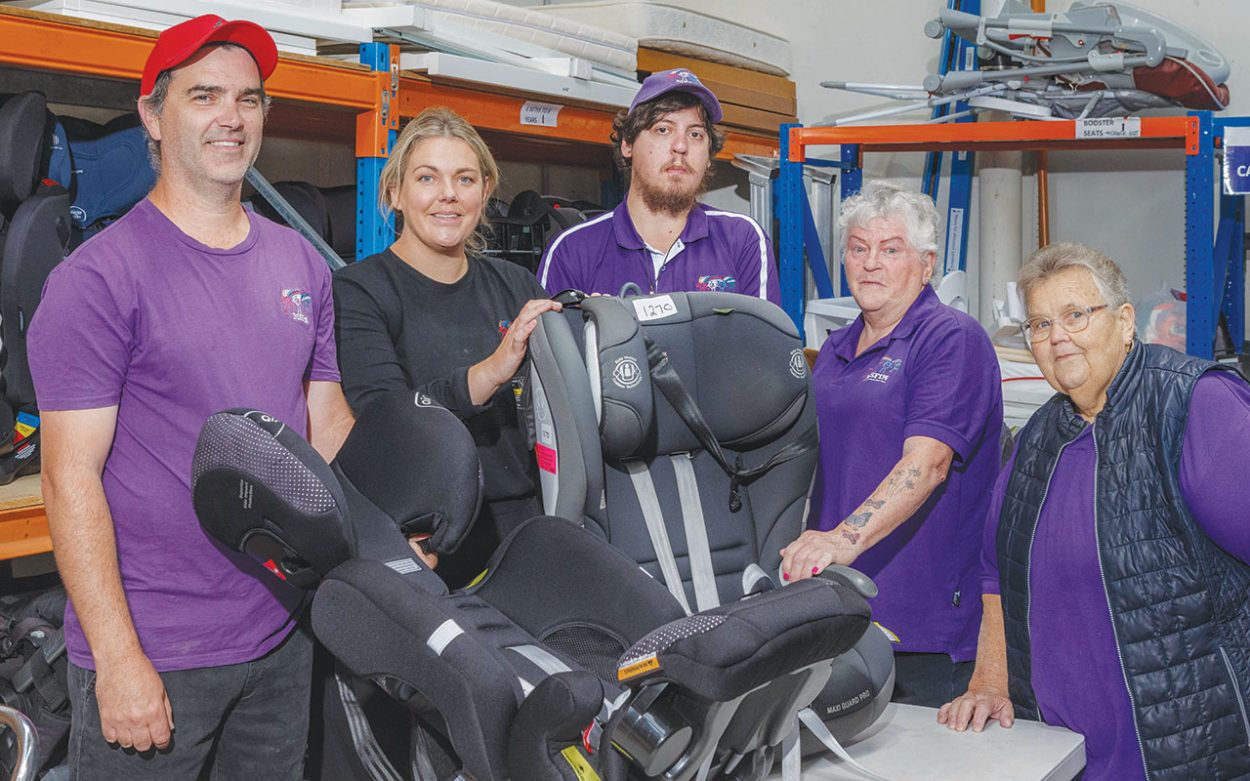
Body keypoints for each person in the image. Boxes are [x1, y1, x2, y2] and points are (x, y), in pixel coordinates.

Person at [26, 15, 356, 780]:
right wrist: (118, 658)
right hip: (156, 650)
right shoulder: (98, 279)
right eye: (204, 95)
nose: (231, 118)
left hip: (280, 633)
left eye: (249, 99)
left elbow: (329, 424)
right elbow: (66, 478)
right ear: (152, 112)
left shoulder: (301, 263)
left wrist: (381, 542)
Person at [939, 243, 1250, 779]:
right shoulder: (1041, 434)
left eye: (1075, 315)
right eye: (1039, 324)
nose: (1057, 337)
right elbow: (995, 571)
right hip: (1058, 755)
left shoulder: (1193, 407)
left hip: (1179, 752)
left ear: (1126, 322)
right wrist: (990, 679)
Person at [780, 181, 1003, 707]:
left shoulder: (950, 338)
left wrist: (840, 540)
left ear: (926, 264)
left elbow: (927, 466)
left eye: (890, 249)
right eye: (858, 248)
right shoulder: (835, 349)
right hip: (841, 611)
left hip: (923, 625)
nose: (870, 264)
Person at [333, 106, 560, 588]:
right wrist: (490, 372)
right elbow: (386, 419)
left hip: (525, 524)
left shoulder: (515, 283)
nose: (448, 196)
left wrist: (589, 330)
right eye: (427, 178)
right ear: (395, 193)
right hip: (428, 538)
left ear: (483, 191)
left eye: (465, 179)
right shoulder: (360, 290)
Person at [536, 68, 779, 304]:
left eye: (695, 134)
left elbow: (765, 343)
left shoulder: (742, 239)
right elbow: (548, 342)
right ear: (627, 145)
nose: (681, 146)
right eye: (663, 129)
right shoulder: (572, 250)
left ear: (708, 155)